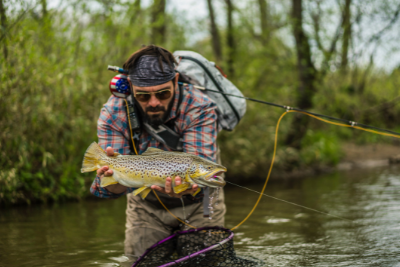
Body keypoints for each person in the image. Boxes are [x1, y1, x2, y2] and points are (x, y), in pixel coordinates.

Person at [90, 45, 226, 257]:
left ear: (175, 81)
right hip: (145, 206)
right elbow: (105, 189)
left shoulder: (199, 107)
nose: (154, 102)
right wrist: (112, 178)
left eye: (163, 93)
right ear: (130, 88)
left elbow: (201, 176)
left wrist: (189, 188)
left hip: (201, 204)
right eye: (143, 96)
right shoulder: (114, 114)